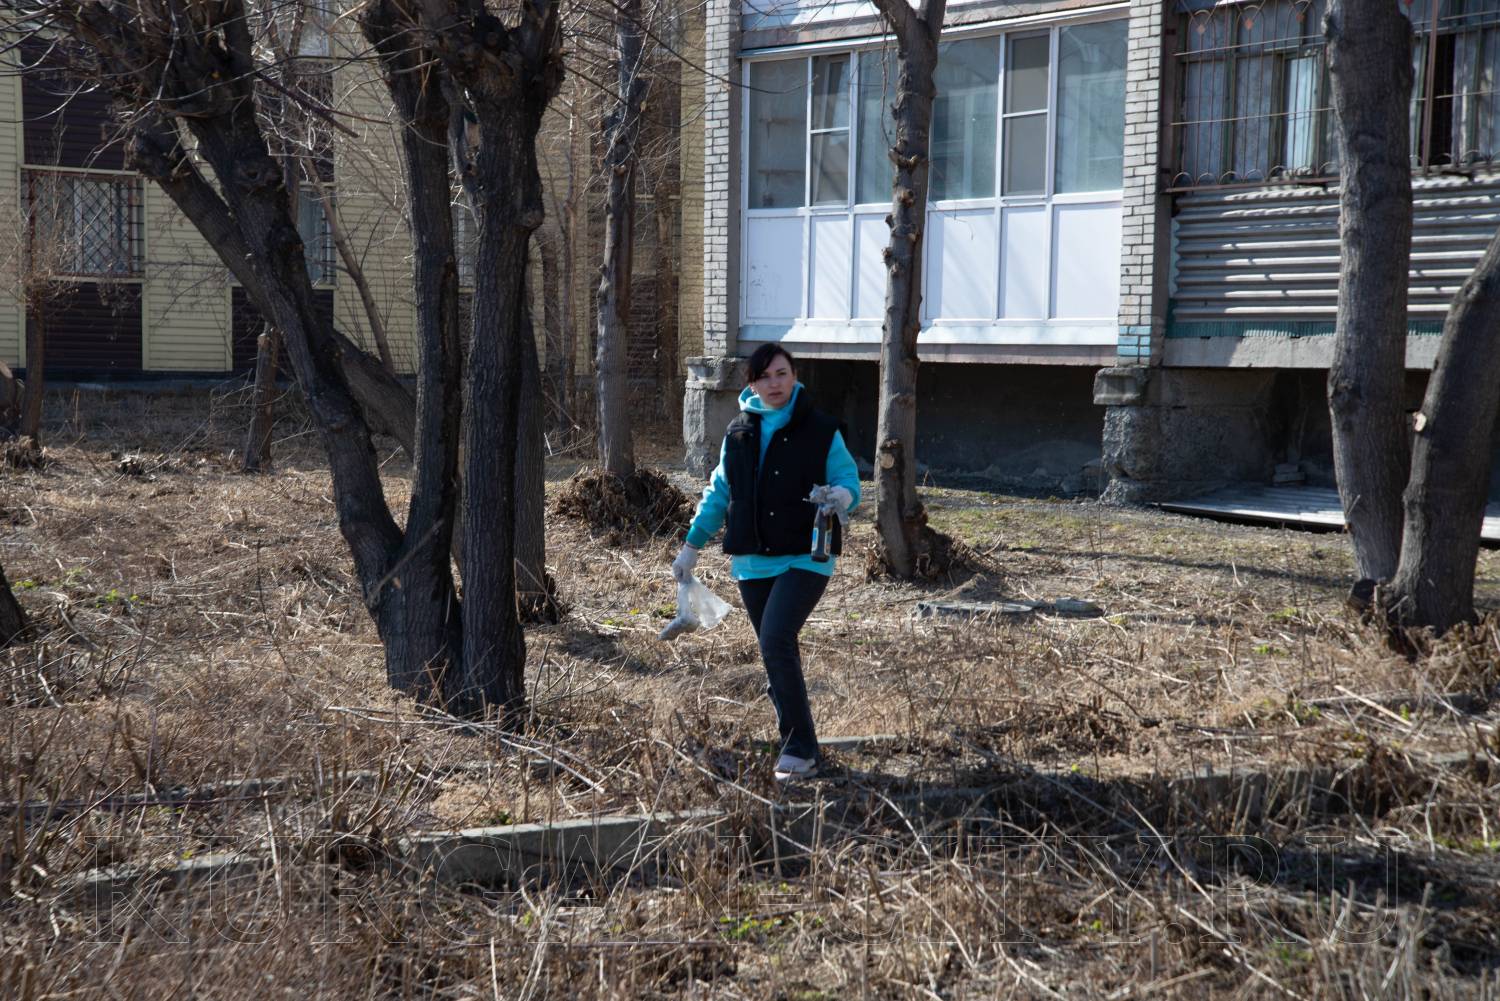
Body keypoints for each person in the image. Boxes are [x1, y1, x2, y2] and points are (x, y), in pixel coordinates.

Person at [672, 345, 860, 781]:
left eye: (782, 373)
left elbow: (848, 479)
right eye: (764, 376)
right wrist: (691, 547)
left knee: (776, 639)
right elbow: (719, 492)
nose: (774, 383)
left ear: (794, 375)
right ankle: (800, 744)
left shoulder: (821, 429)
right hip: (752, 560)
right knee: (775, 651)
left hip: (806, 555)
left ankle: (799, 750)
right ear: (752, 384)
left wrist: (842, 496)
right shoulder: (738, 432)